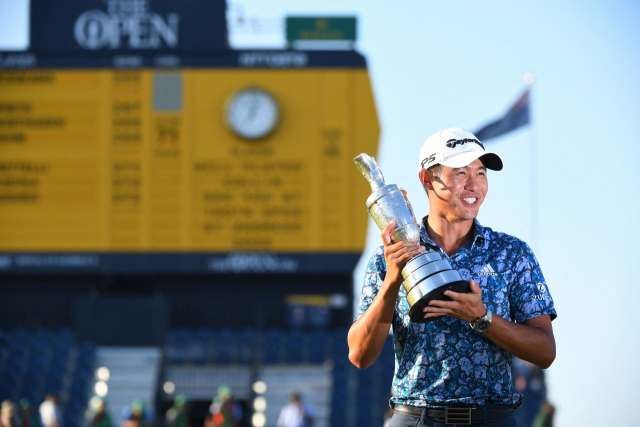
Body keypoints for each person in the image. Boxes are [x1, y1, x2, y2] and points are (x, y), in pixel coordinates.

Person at [348, 127, 557, 427]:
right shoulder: (389, 258)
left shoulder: (512, 253)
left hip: (493, 420)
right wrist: (393, 280)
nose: (475, 185)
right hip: (415, 418)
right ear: (427, 179)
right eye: (461, 173)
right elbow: (359, 355)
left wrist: (481, 317)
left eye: (481, 173)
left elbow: (545, 352)